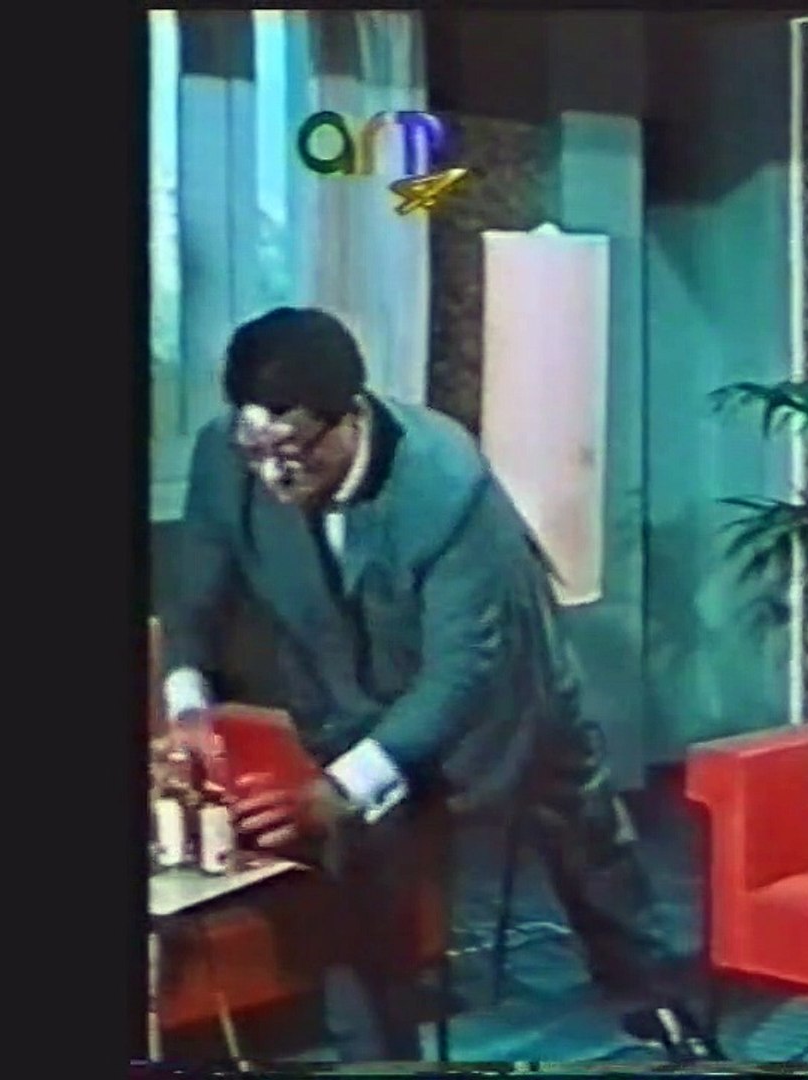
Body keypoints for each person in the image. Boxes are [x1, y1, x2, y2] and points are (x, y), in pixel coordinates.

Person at [160, 307, 718, 1063]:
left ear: (350, 417)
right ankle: (381, 1060)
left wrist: (341, 788)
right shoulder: (225, 455)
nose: (272, 475)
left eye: (292, 452)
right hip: (346, 696)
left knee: (587, 845)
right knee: (359, 873)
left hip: (500, 700)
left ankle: (661, 1004)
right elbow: (196, 595)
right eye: (255, 450)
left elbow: (460, 673)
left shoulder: (443, 479)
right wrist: (188, 705)